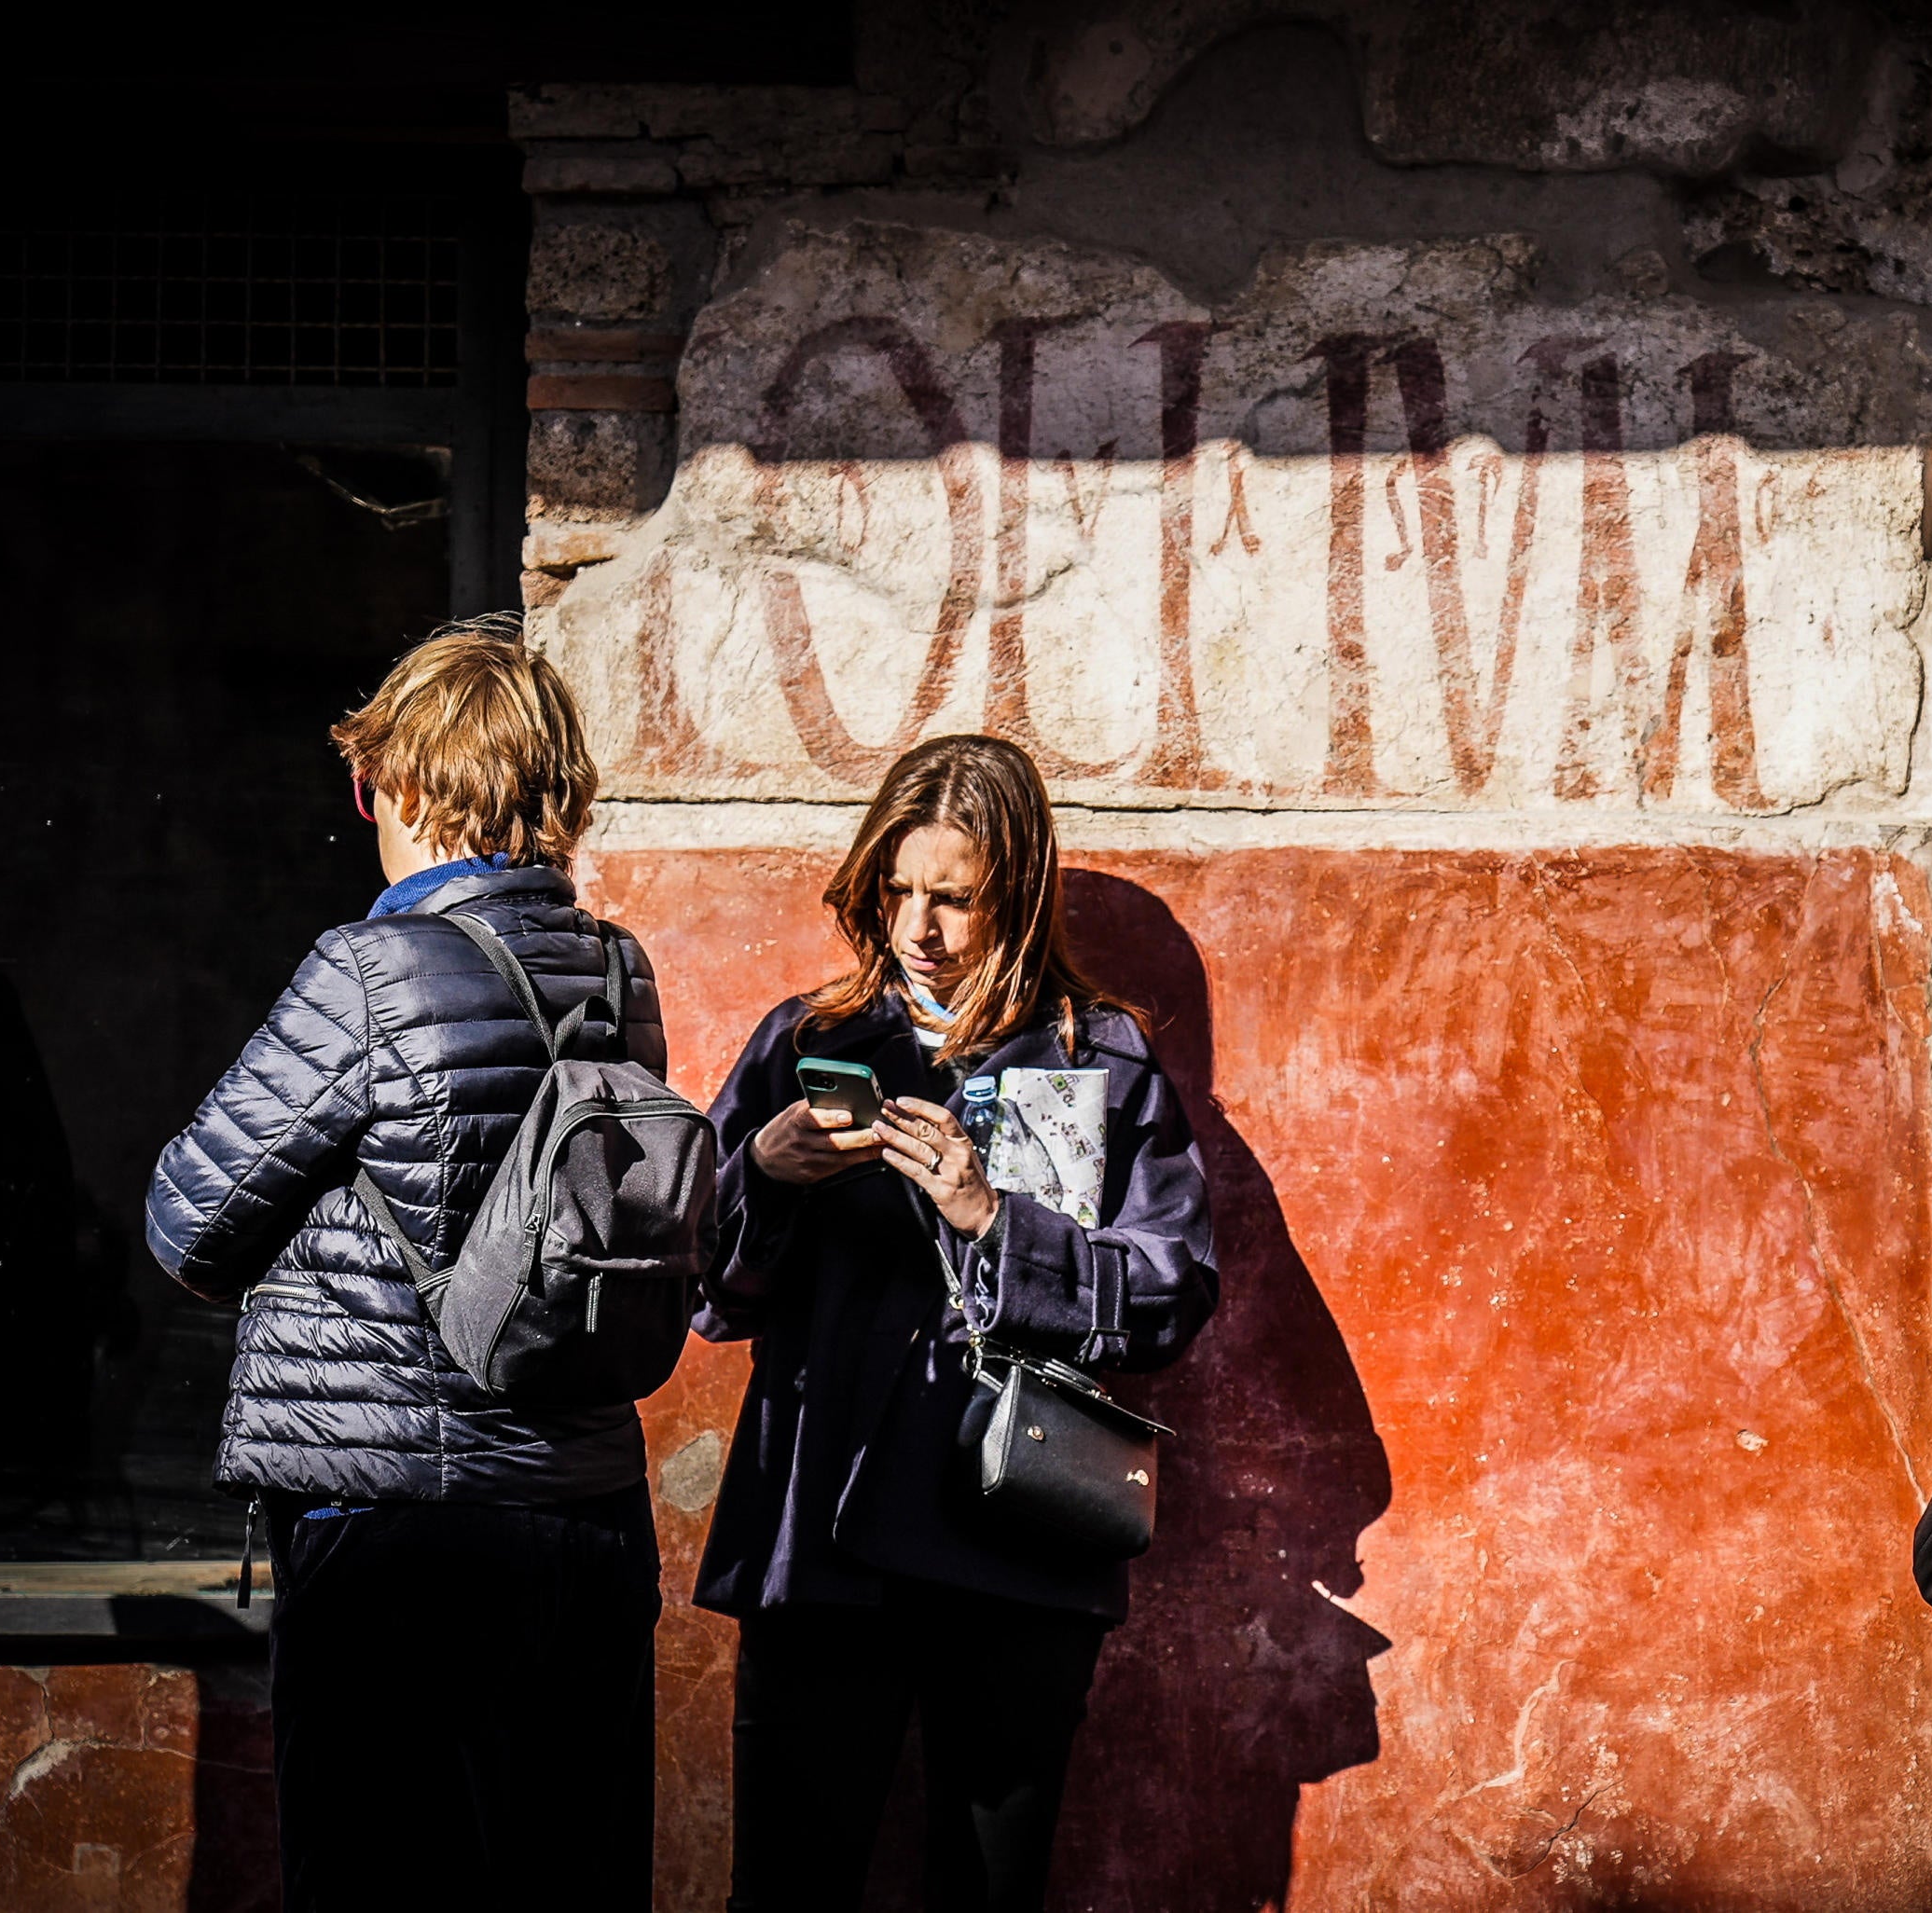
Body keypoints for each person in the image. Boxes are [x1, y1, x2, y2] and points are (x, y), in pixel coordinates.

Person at [145, 618, 667, 1913]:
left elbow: (187, 1225)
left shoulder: (371, 972)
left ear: (407, 788)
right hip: (589, 1520)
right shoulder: (618, 972)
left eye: (371, 778)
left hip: (400, 1537)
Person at [695, 732, 1219, 1913]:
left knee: (989, 1891)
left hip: (1020, 1536)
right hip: (820, 1534)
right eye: (897, 887)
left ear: (1020, 898)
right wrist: (763, 1178)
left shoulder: (1099, 1060)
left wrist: (995, 1221)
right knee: (786, 1884)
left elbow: (1172, 1292)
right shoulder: (809, 1040)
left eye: (955, 898)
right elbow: (705, 1297)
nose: (917, 925)